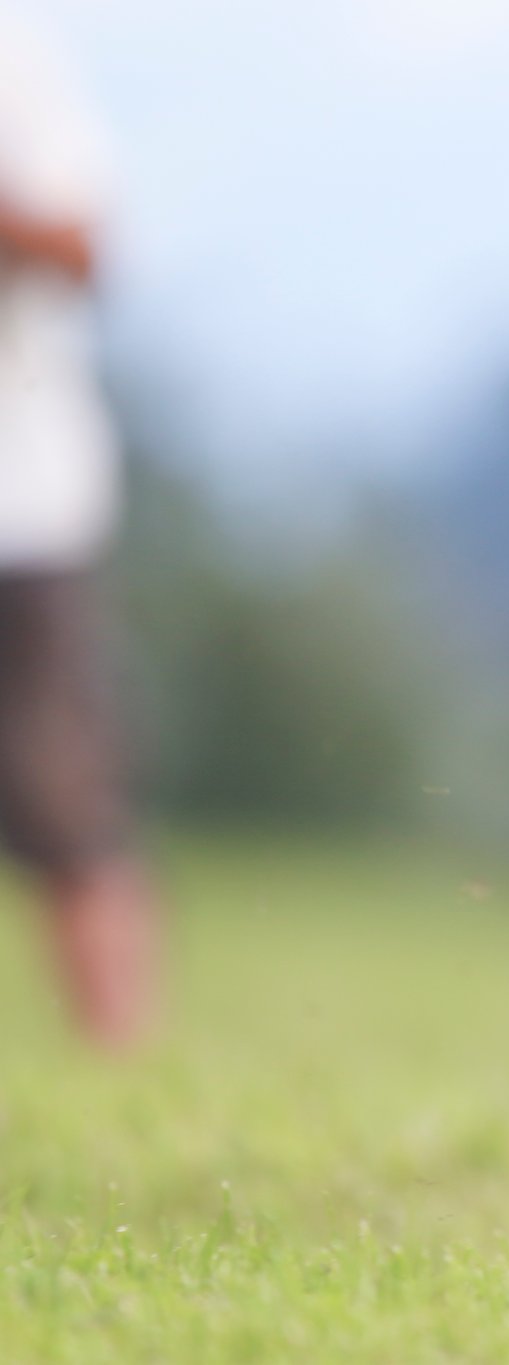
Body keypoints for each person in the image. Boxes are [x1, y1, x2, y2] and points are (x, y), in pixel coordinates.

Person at [0, 5, 158, 1048]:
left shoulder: (18, 52)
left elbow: (82, 240)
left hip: (21, 493)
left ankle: (123, 1071)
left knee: (64, 796)